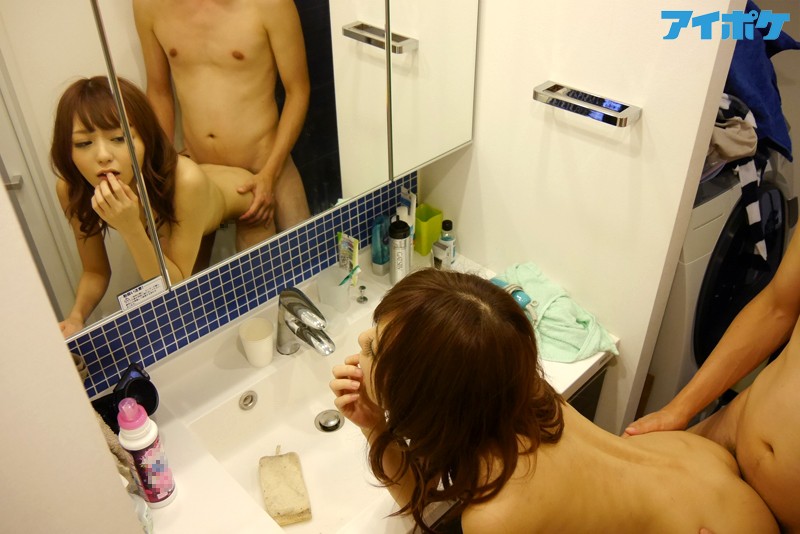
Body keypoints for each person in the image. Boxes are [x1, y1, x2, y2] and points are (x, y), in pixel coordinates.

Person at [329, 269, 778, 533]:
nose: (362, 339)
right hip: (703, 475)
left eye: (375, 349)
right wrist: (374, 422)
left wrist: (380, 425)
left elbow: (422, 509)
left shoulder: (497, 517)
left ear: (428, 395)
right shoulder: (514, 387)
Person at [52, 76, 262, 337]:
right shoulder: (71, 189)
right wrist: (75, 317)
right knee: (190, 318)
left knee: (259, 305)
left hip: (247, 200)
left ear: (146, 139)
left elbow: (174, 287)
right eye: (84, 143)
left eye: (119, 138)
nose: (103, 156)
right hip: (192, 216)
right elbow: (95, 271)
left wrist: (131, 229)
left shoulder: (186, 181)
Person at [625, 229, 800, 532]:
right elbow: (777, 308)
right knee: (620, 486)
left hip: (786, 516)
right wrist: (677, 410)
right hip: (736, 426)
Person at [132, 0, 311, 245]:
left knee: (308, 256)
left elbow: (298, 91)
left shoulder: (271, 4)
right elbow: (159, 91)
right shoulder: (148, 5)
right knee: (183, 267)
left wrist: (270, 173)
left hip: (265, 164)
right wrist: (162, 164)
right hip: (200, 169)